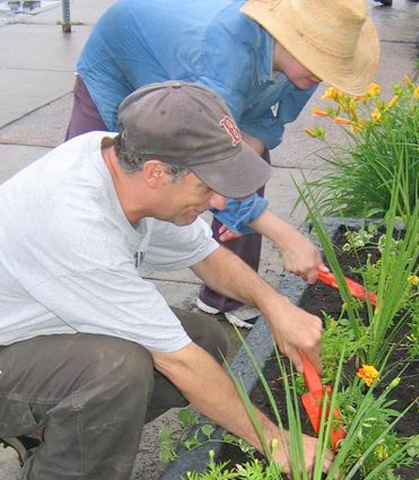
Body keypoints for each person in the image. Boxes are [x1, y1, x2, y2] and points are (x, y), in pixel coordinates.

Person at [0, 81, 332, 479]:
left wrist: (275, 306)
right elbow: (178, 361)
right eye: (207, 186)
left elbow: (206, 256)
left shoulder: (121, 164)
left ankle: (51, 434)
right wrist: (276, 442)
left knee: (205, 339)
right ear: (157, 173)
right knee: (118, 370)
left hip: (27, 331)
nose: (221, 203)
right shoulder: (75, 225)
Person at [66, 0, 380, 328]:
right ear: (288, 38)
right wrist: (286, 236)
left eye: (330, 65)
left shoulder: (306, 70)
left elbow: (265, 126)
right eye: (318, 62)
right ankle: (87, 302)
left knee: (244, 168)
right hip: (123, 59)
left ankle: (228, 295)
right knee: (99, 185)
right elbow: (206, 149)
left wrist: (238, 198)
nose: (321, 75)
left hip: (200, 75)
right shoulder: (226, 50)